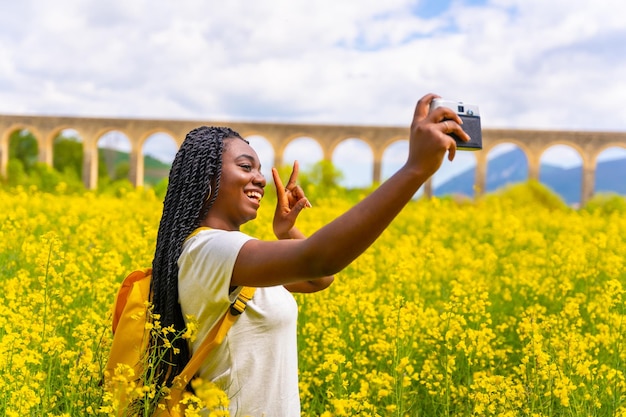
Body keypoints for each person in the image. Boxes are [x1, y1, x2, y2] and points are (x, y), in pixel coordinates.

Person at [149, 93, 470, 417]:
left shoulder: (235, 257)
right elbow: (319, 260)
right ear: (206, 178)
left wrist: (287, 232)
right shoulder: (210, 251)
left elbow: (319, 278)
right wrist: (414, 170)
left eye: (260, 169)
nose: (260, 178)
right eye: (246, 167)